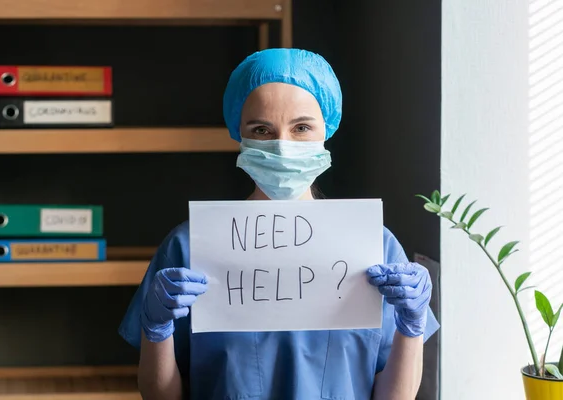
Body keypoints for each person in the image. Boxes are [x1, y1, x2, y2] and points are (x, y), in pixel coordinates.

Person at [118, 48, 440, 400]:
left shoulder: (373, 246)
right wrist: (157, 329)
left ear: (326, 129)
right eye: (262, 129)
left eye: (301, 127)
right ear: (239, 133)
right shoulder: (190, 246)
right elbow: (159, 395)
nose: (283, 146)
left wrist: (412, 325)